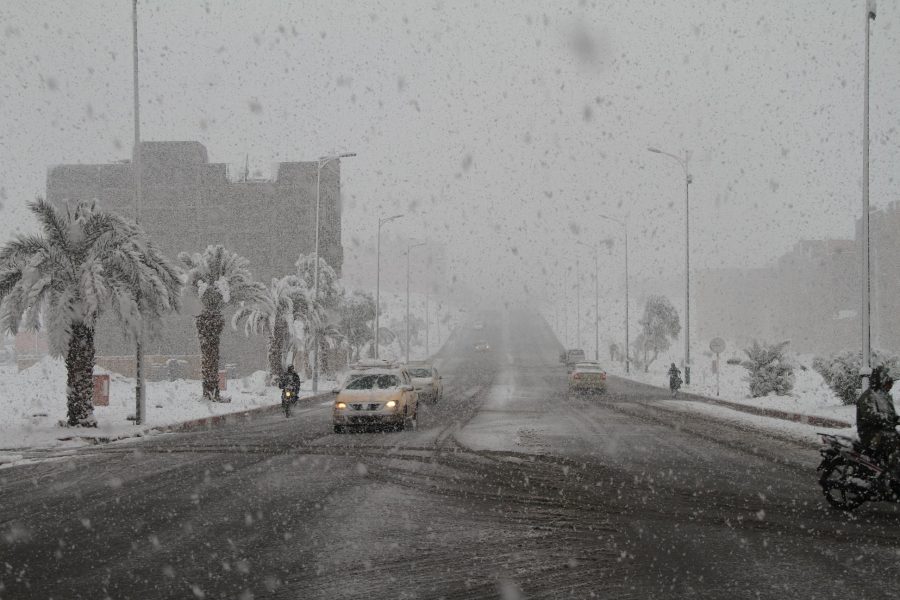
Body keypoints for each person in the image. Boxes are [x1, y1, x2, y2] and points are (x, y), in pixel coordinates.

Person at [856, 365, 900, 481]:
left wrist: (896, 419)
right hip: (871, 434)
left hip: (884, 431)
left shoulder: (885, 396)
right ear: (880, 381)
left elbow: (891, 415)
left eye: (890, 385)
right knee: (895, 446)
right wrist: (887, 419)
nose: (889, 387)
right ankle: (891, 476)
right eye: (887, 384)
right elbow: (870, 416)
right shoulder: (868, 396)